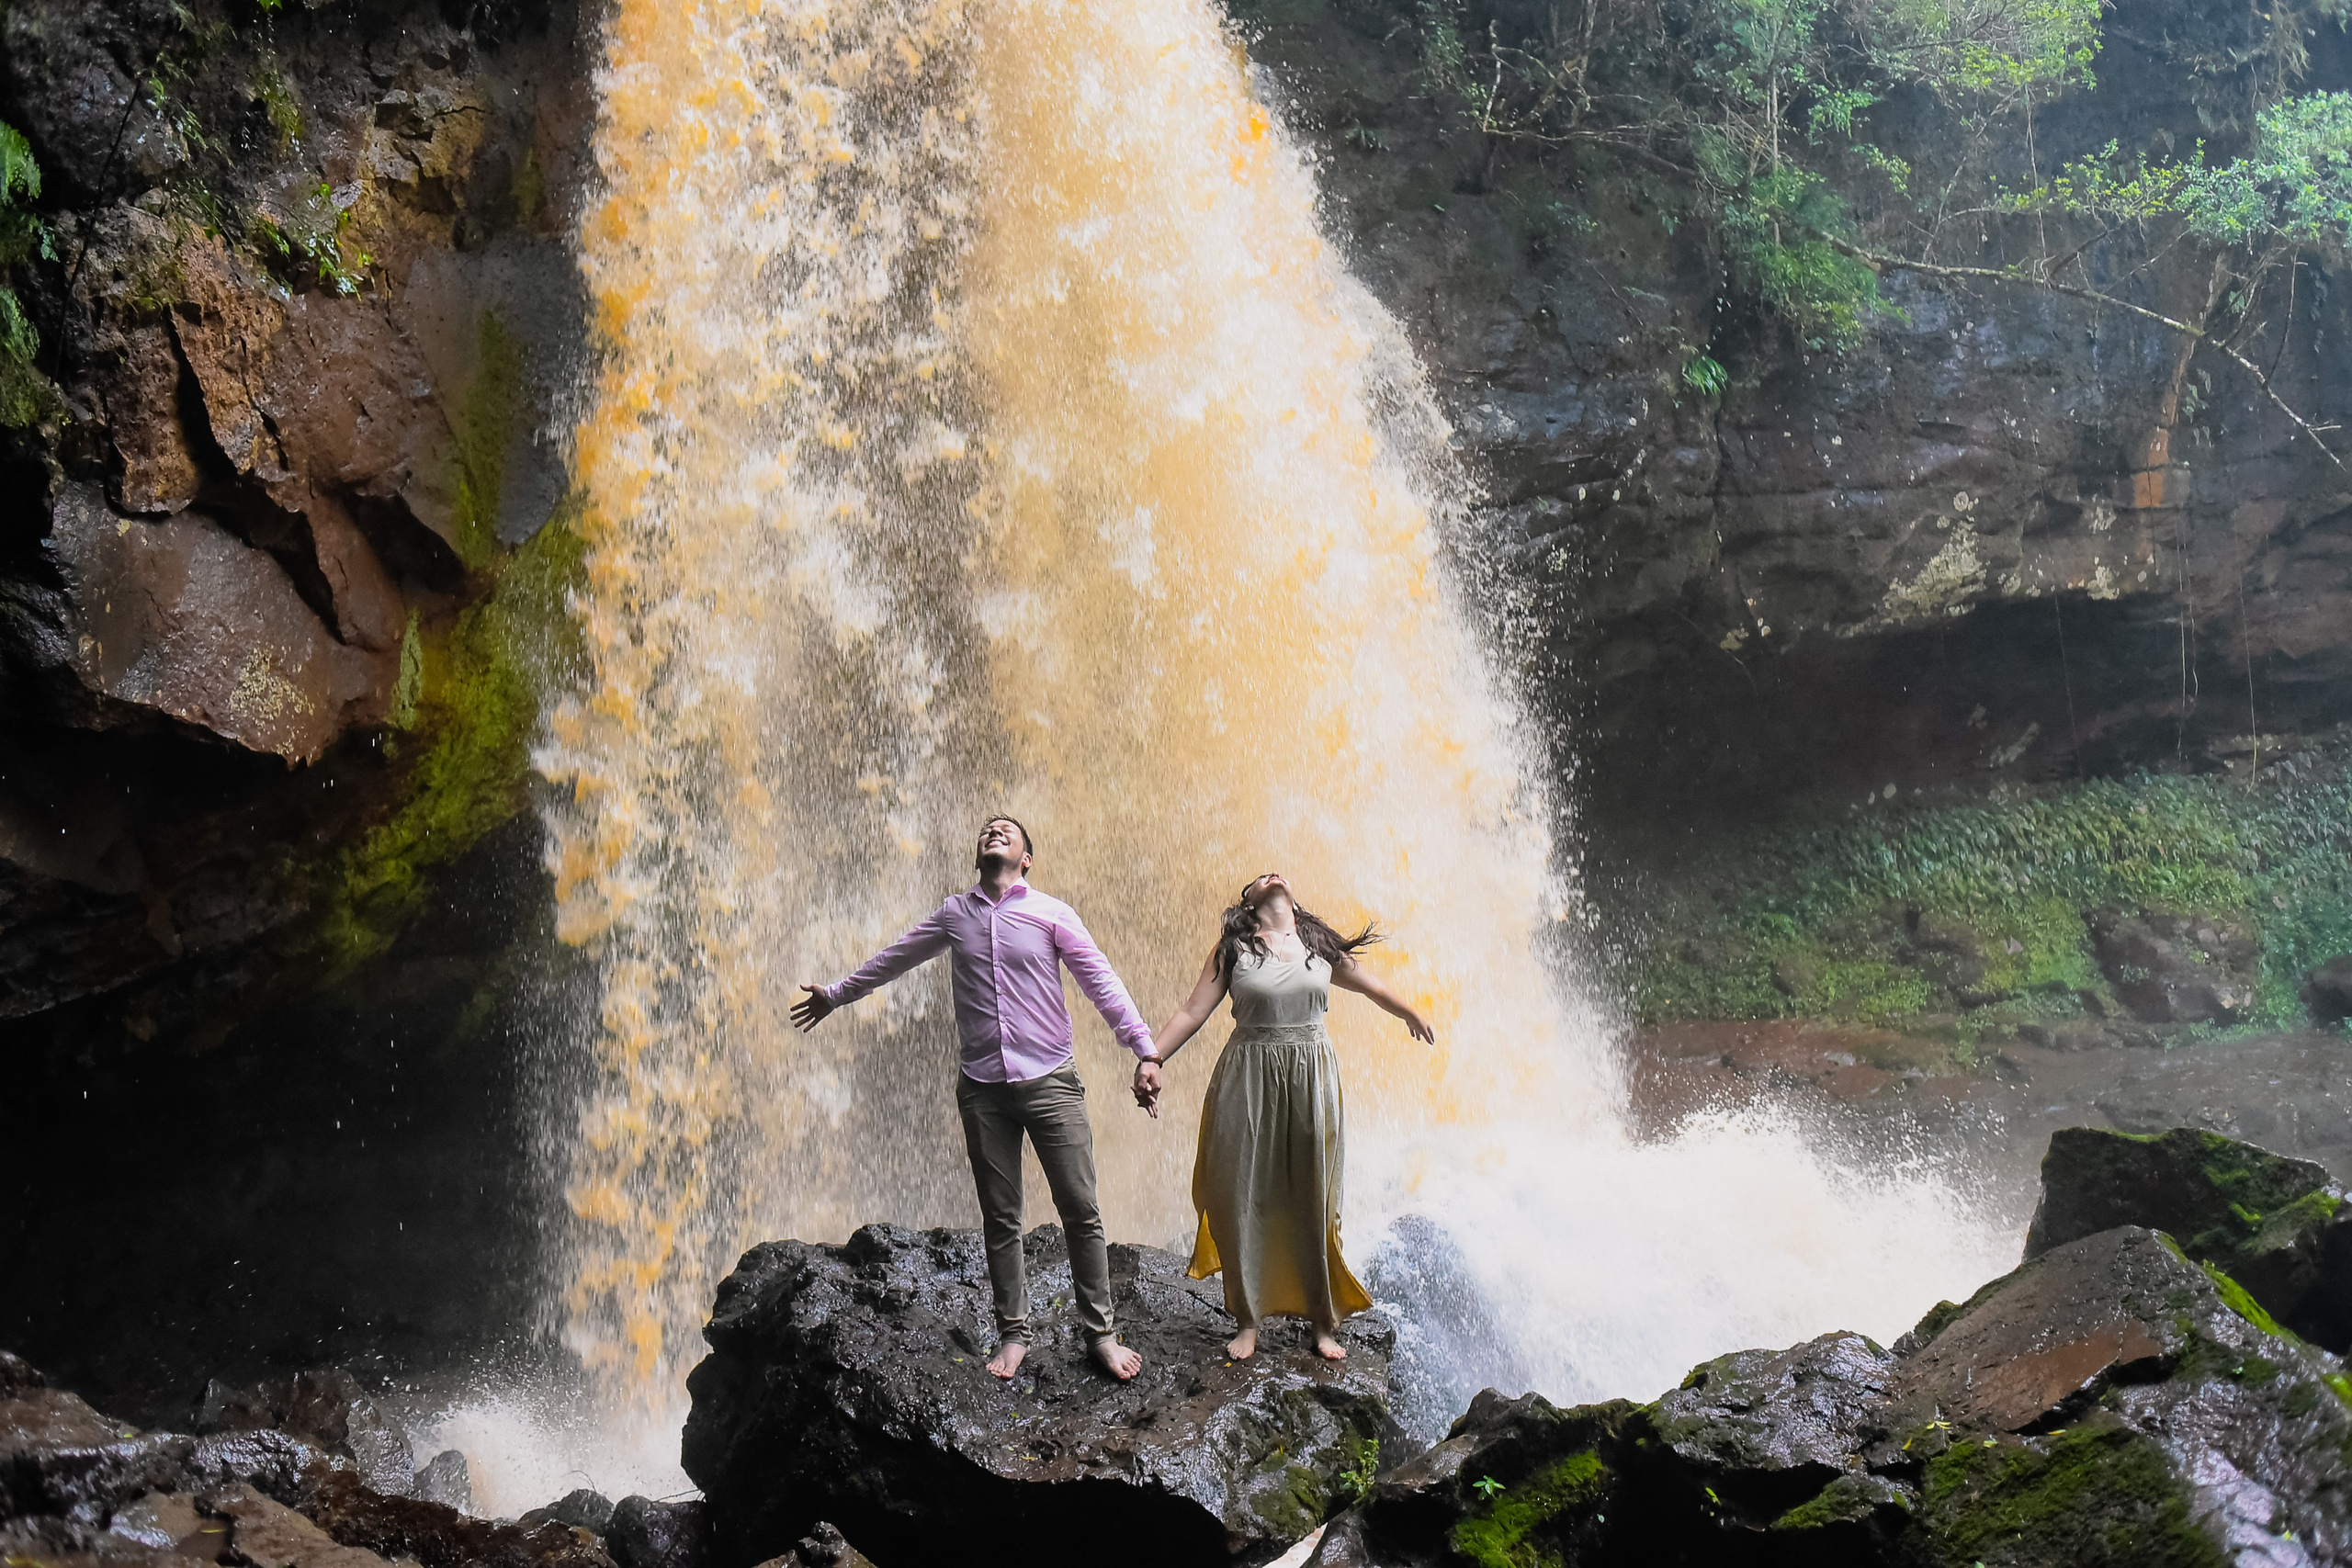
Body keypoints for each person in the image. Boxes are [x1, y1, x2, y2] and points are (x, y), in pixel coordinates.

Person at [790, 817, 1153, 1382]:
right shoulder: (955, 913)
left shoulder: (1052, 912)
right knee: (1000, 1217)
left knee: (1080, 1210)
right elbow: (896, 957)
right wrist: (837, 995)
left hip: (1051, 1080)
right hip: (983, 1088)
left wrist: (1144, 1049)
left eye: (1008, 830)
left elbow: (1099, 982)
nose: (995, 831)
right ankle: (1013, 1335)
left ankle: (1101, 1333)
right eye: (987, 829)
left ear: (1027, 858)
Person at [1134, 872, 1434, 1361]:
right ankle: (1247, 1320)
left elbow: (1369, 985)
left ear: (1294, 896)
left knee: (1313, 1194)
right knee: (1241, 1192)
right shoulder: (1232, 949)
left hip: (1311, 1076)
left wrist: (1408, 1012)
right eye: (1258, 878)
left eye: (1278, 875)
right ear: (1248, 902)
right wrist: (1152, 1057)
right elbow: (1193, 1011)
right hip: (1247, 1076)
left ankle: (1322, 1322)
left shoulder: (1317, 944)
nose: (1270, 875)